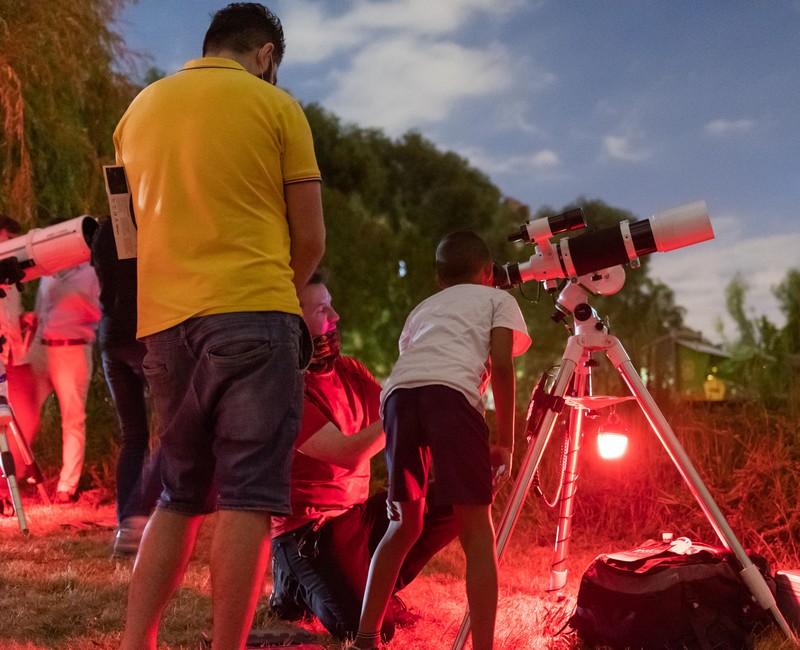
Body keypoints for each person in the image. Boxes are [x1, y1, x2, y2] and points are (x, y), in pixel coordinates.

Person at [113, 3, 325, 650]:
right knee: (248, 496)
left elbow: (126, 237)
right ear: (265, 55)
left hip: (166, 325)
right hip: (253, 310)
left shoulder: (137, 113)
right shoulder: (277, 108)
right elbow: (310, 238)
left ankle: (135, 643)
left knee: (179, 495)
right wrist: (280, 299)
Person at [349, 231, 531, 650]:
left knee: (403, 524)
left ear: (439, 278)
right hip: (450, 397)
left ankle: (364, 638)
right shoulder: (498, 300)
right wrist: (506, 441)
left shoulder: (422, 309)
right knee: (477, 534)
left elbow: (414, 363)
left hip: (397, 399)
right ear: (489, 273)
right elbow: (502, 366)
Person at [268, 272, 459, 642]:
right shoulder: (283, 388)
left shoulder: (348, 370)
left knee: (457, 493)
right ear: (293, 319)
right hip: (310, 531)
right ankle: (292, 582)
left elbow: (397, 419)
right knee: (372, 630)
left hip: (358, 517)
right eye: (323, 309)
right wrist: (409, 406)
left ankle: (377, 586)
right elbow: (349, 454)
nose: (335, 316)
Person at [90, 217, 161, 555]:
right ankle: (137, 519)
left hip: (110, 335)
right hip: (148, 332)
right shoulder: (154, 220)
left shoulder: (106, 227)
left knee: (133, 436)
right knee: (179, 429)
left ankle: (126, 525)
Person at [26, 260, 101, 503]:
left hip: (73, 348)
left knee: (72, 418)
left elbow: (104, 310)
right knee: (24, 412)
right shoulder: (48, 271)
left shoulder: (91, 272)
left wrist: (78, 303)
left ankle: (66, 486)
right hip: (42, 347)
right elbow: (40, 311)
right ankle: (19, 472)